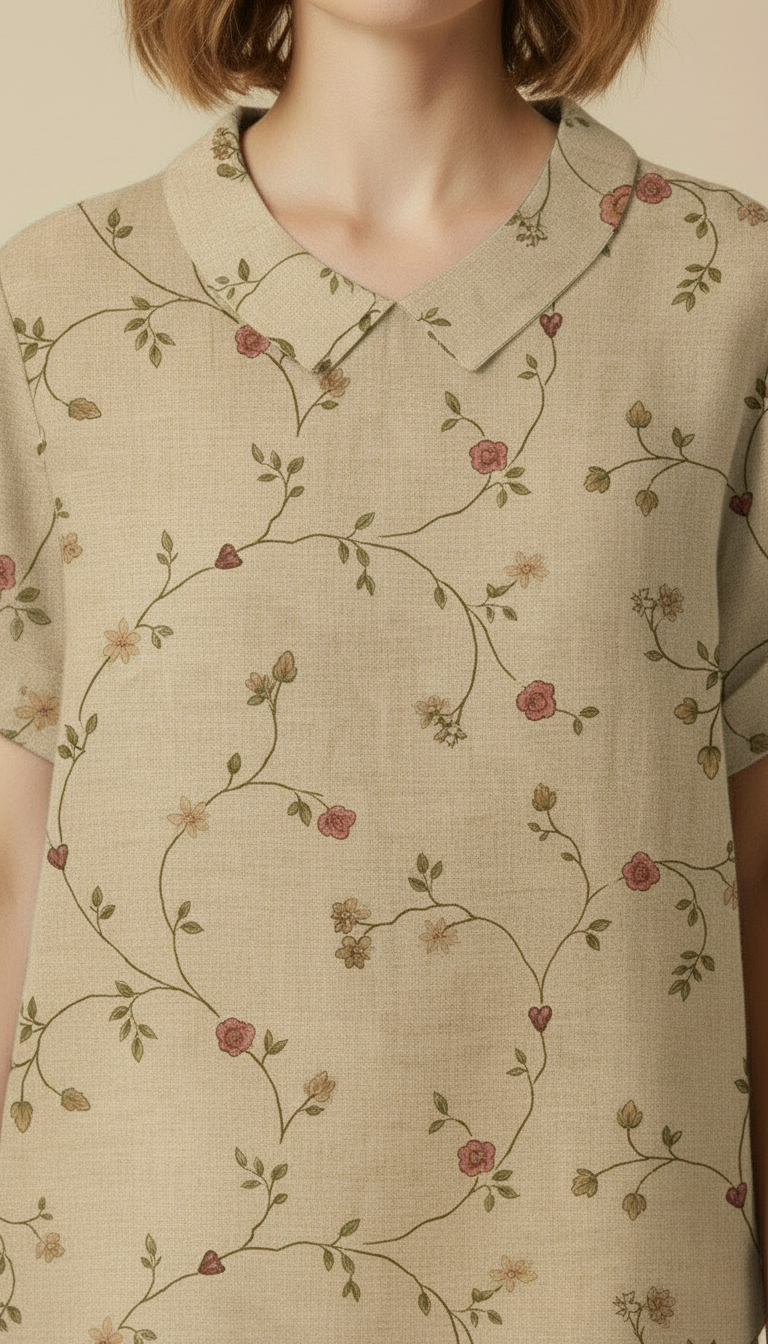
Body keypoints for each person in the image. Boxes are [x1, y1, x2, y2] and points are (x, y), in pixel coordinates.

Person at [1, 0, 767, 1337]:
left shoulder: (725, 289)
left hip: (607, 1265)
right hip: (149, 1268)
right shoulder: (58, 303)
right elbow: (16, 853)